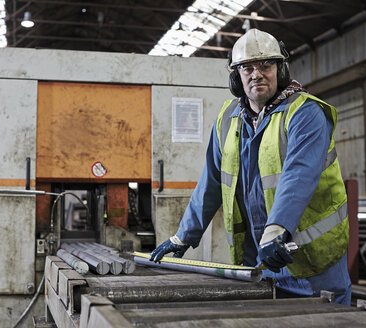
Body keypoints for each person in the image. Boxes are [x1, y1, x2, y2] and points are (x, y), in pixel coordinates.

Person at [150, 28, 351, 305]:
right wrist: (183, 236)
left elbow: (298, 176)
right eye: (247, 68)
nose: (256, 74)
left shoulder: (306, 114)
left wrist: (275, 231)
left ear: (280, 70)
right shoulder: (227, 120)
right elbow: (211, 181)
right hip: (261, 263)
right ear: (237, 77)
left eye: (266, 65)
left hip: (313, 264)